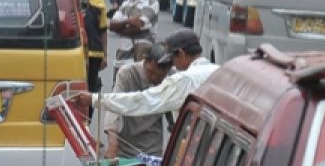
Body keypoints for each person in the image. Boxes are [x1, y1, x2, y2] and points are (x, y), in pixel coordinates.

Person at [71, 29, 217, 121]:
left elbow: (142, 101)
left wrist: (95, 99)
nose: (173, 65)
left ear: (181, 54)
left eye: (172, 60)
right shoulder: (219, 70)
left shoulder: (184, 80)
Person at [108, 0, 159, 68]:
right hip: (123, 58)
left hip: (140, 60)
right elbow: (111, 26)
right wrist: (128, 21)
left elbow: (138, 26)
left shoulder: (152, 2)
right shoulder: (126, 4)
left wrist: (121, 27)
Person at [78, 0, 108, 93]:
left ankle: (89, 113)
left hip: (95, 51)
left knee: (91, 86)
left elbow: (103, 29)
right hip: (77, 50)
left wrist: (105, 55)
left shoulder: (99, 2)